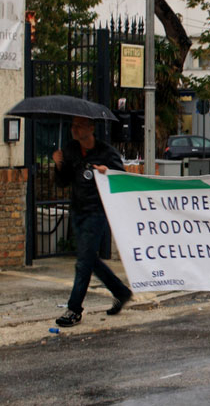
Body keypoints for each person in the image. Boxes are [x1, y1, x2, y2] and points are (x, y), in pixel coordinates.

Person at [52, 116, 132, 327]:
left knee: (83, 262)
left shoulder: (106, 153)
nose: (74, 130)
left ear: (91, 128)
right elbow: (62, 182)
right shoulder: (71, 150)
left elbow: (121, 178)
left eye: (79, 126)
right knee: (88, 259)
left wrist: (108, 172)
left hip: (96, 213)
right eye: (73, 126)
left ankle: (74, 309)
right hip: (78, 211)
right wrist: (59, 164)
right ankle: (121, 291)